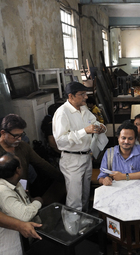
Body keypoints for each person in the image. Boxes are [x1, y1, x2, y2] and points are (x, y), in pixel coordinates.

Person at [53, 81, 106, 212]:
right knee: (74, 199)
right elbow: (60, 141)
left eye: (85, 94)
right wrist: (84, 131)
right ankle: (73, 230)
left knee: (85, 196)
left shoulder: (84, 109)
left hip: (86, 157)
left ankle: (84, 226)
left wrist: (101, 128)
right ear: (70, 96)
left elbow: (95, 122)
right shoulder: (62, 113)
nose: (86, 97)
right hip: (72, 160)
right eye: (82, 94)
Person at [0, 114, 64, 205]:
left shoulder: (23, 146)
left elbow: (42, 164)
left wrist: (64, 179)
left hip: (25, 196)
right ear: (2, 133)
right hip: (5, 200)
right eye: (15, 136)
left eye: (21, 135)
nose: (19, 139)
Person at [0, 153, 43, 255]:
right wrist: (38, 202)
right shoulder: (2, 191)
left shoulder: (15, 183)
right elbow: (24, 216)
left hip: (23, 240)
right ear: (18, 170)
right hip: (8, 248)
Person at [98, 121, 140, 186]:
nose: (126, 141)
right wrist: (104, 180)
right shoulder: (109, 153)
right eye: (123, 138)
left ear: (135, 139)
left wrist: (123, 176)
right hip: (116, 191)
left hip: (139, 190)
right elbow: (101, 177)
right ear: (118, 138)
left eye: (130, 138)